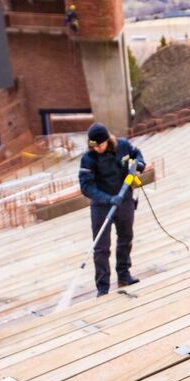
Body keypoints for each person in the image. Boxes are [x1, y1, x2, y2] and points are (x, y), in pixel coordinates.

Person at [78, 123, 145, 296]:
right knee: (101, 248)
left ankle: (124, 274)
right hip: (101, 205)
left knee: (125, 237)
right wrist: (108, 199)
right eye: (94, 146)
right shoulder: (88, 158)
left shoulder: (122, 146)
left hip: (124, 200)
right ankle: (103, 287)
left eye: (100, 145)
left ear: (107, 140)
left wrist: (139, 163)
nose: (97, 148)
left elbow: (136, 153)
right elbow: (86, 186)